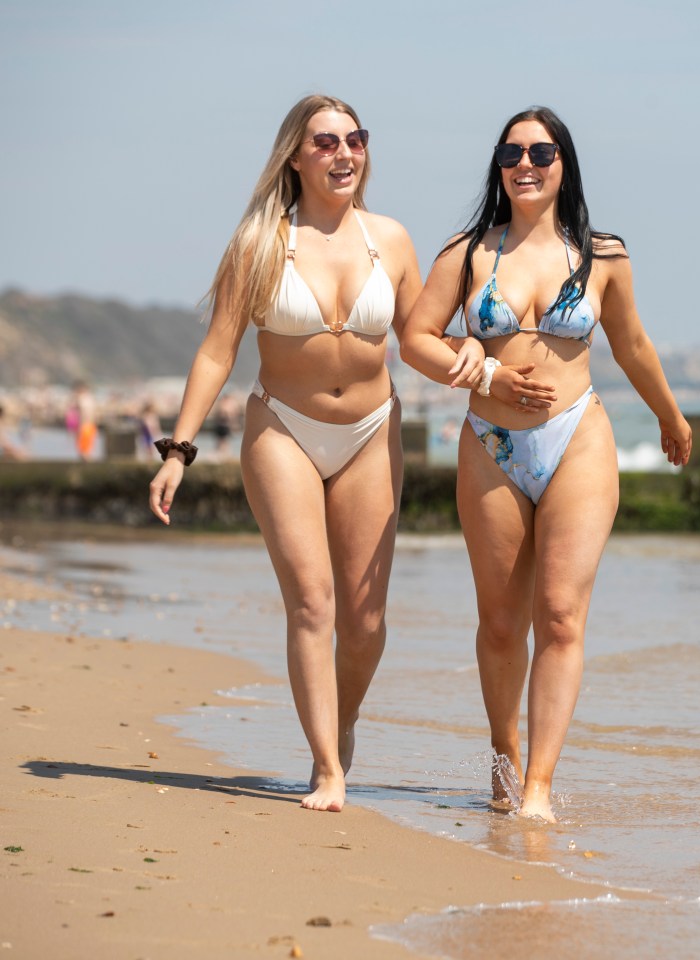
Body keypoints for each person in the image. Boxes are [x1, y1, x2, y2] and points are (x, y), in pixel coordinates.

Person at [148, 94, 485, 812]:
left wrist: (474, 358)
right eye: (325, 142)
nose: (343, 154)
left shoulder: (388, 239)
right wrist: (178, 450)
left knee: (363, 623)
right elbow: (217, 352)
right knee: (311, 602)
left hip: (371, 434)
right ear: (295, 157)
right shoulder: (261, 241)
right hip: (283, 430)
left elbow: (420, 341)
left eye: (354, 140)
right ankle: (328, 770)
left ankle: (343, 719)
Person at [400, 106, 691, 821]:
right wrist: (481, 374)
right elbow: (414, 339)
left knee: (559, 614)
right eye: (510, 153)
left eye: (540, 151)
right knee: (501, 622)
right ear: (497, 167)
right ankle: (504, 764)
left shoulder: (603, 255)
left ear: (564, 163)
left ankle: (538, 788)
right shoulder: (467, 252)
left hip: (577, 438)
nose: (523, 164)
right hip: (490, 445)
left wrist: (668, 414)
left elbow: (632, 346)